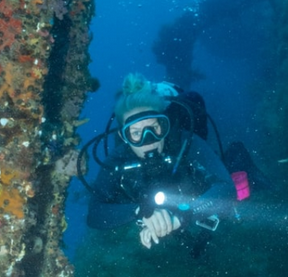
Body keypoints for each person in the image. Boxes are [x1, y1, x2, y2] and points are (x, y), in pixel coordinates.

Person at [85, 73, 237, 249]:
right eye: (136, 133)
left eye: (153, 128)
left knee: (234, 172)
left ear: (164, 125)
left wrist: (181, 216)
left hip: (194, 199)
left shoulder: (186, 141)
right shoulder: (118, 159)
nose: (148, 140)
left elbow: (227, 188)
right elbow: (95, 215)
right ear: (123, 136)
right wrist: (140, 211)